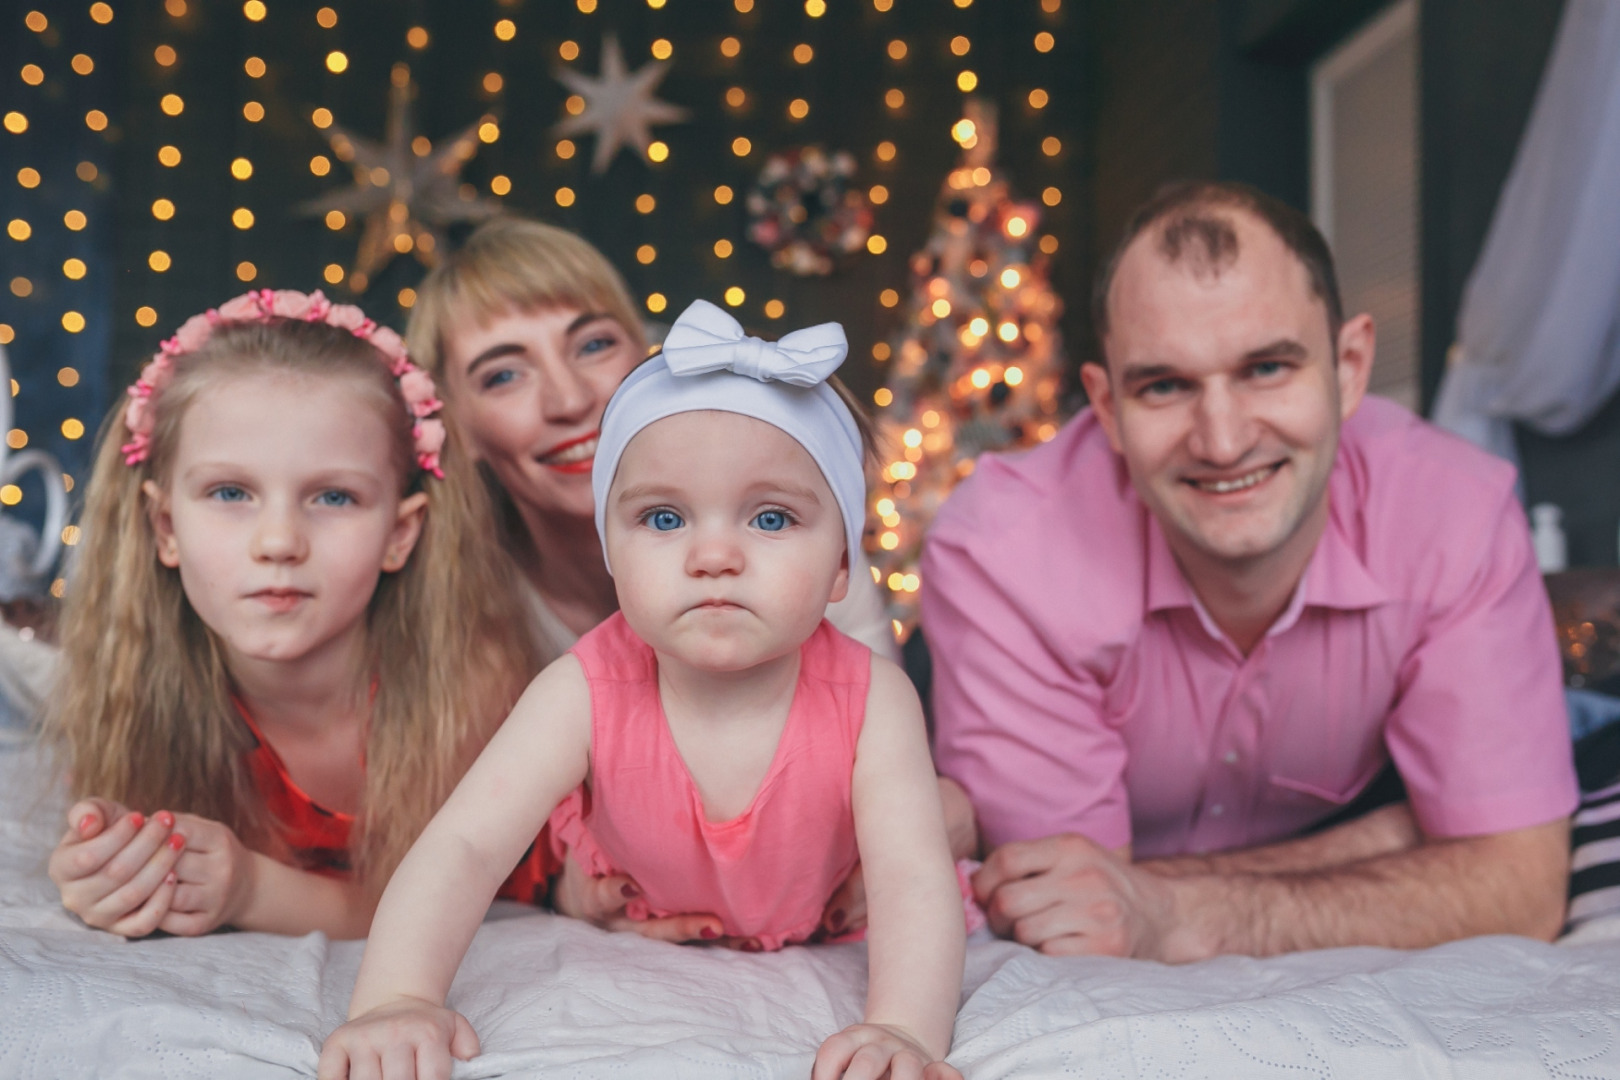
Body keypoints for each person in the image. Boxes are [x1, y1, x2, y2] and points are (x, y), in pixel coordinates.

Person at [921, 180, 1579, 960]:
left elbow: (1523, 888)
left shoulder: (1456, 518)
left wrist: (1174, 908)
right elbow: (1072, 914)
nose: (1223, 441)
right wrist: (1401, 834)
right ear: (1104, 409)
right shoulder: (1007, 554)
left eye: (1267, 368)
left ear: (1350, 366)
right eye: (1165, 386)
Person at [318, 301, 965, 1080]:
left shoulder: (873, 703)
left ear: (840, 569)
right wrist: (397, 997)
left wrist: (904, 1028)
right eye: (663, 518)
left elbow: (912, 881)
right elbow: (462, 846)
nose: (714, 555)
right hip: (640, 920)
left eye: (770, 518)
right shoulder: (580, 692)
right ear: (612, 557)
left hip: (821, 928)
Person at [405, 216, 915, 930]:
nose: (568, 399)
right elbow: (464, 840)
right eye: (504, 373)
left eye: (593, 344)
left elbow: (893, 812)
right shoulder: (464, 616)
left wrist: (916, 844)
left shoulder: (812, 579)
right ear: (455, 425)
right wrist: (568, 889)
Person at [40, 289, 535, 938]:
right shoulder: (138, 692)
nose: (278, 541)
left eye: (333, 496)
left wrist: (253, 890)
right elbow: (136, 856)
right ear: (165, 526)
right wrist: (113, 867)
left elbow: (443, 902)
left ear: (400, 533)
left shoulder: (473, 693)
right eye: (230, 492)